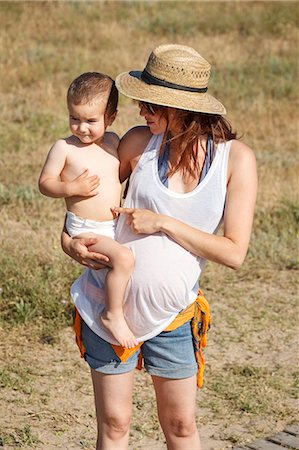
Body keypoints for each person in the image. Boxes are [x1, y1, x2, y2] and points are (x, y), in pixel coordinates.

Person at [61, 44, 257, 450]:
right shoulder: (137, 144)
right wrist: (69, 241)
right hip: (107, 307)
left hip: (173, 316)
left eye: (151, 104)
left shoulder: (235, 160)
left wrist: (163, 222)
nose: (140, 111)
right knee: (115, 424)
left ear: (184, 108)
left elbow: (234, 252)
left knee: (181, 426)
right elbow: (89, 206)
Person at [39, 72, 138, 349]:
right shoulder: (64, 148)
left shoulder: (114, 141)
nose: (81, 128)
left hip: (110, 226)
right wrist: (72, 188)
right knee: (124, 260)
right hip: (84, 227)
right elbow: (45, 184)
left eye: (91, 121)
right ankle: (111, 315)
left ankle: (102, 307)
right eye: (74, 118)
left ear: (111, 117)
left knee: (118, 270)